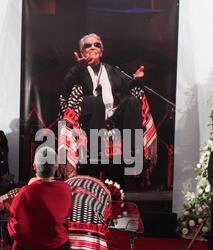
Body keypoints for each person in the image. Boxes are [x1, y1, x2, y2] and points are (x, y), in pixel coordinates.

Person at [58, 33, 157, 179]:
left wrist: (137, 80)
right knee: (95, 101)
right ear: (82, 52)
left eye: (96, 45)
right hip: (88, 120)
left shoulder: (112, 71)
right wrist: (80, 68)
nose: (93, 47)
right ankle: (96, 150)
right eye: (88, 45)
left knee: (133, 101)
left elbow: (127, 88)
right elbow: (65, 91)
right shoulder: (77, 71)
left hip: (113, 117)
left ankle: (132, 150)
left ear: (101, 51)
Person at [6, 147, 73, 250]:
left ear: (34, 167)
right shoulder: (65, 189)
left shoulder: (25, 193)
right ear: (56, 167)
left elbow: (15, 229)